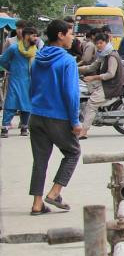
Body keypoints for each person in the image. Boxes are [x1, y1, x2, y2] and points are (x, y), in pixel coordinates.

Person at [27, 19, 82, 215]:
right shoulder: (67, 61)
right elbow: (71, 94)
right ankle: (55, 192)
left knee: (40, 159)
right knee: (73, 152)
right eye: (70, 33)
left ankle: (37, 203)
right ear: (60, 35)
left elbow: (32, 87)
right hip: (57, 117)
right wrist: (75, 121)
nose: (72, 37)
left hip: (36, 114)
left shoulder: (37, 59)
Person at [77, 32, 124, 139]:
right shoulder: (103, 54)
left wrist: (93, 77)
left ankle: (83, 132)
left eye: (101, 43)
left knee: (91, 103)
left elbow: (110, 74)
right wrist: (74, 67)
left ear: (106, 42)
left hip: (112, 85)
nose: (99, 45)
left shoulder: (111, 56)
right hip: (106, 83)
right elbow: (92, 67)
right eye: (97, 43)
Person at [0, 25, 37, 137]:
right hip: (15, 79)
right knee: (11, 102)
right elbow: (3, 60)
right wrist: (10, 68)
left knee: (27, 104)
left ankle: (24, 127)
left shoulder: (34, 50)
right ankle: (5, 127)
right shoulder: (14, 48)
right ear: (26, 36)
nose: (35, 38)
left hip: (29, 80)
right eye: (33, 35)